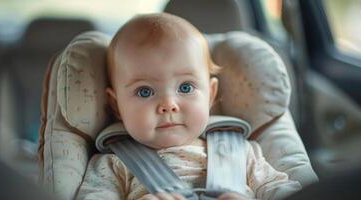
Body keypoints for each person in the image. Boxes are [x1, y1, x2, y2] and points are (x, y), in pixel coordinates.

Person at [76, 13, 301, 200]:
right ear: (116, 105)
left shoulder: (242, 152)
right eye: (145, 91)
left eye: (185, 88)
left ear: (210, 95)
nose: (168, 105)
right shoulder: (112, 165)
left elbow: (286, 193)